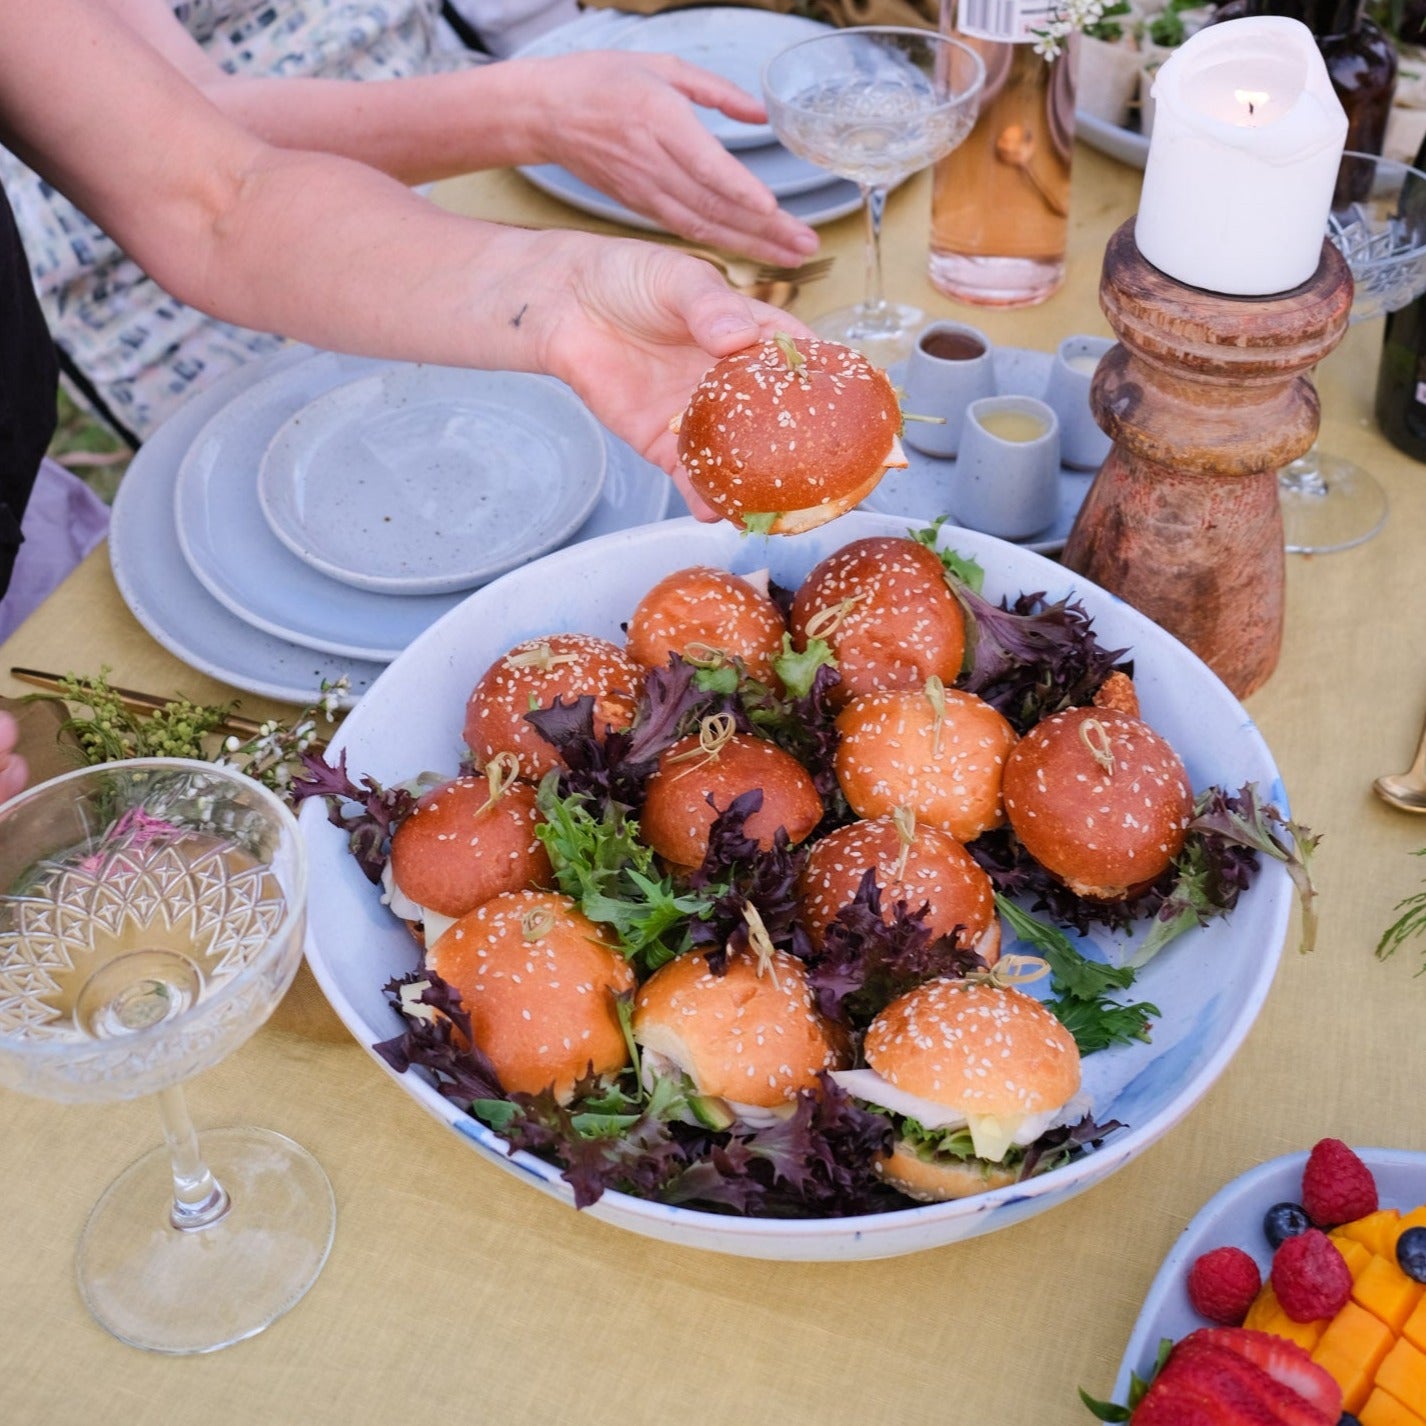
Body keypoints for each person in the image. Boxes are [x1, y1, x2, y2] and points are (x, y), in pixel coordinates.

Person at [1, 0, 819, 441]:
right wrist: (532, 109)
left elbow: (227, 197)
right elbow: (197, 157)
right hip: (181, 294)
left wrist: (569, 292)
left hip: (399, 173)